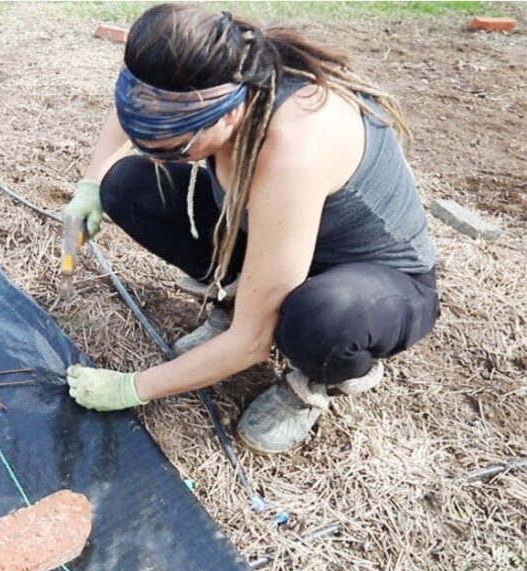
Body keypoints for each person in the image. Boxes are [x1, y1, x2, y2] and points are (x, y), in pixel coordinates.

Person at [61, 3, 440, 454]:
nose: (162, 159)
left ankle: (321, 375)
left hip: (370, 280)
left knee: (322, 318)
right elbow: (140, 106)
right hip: (276, 231)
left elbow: (250, 343)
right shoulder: (215, 77)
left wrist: (132, 388)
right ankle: (242, 293)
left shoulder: (294, 149)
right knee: (126, 185)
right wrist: (91, 183)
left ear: (226, 116)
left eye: (176, 148)